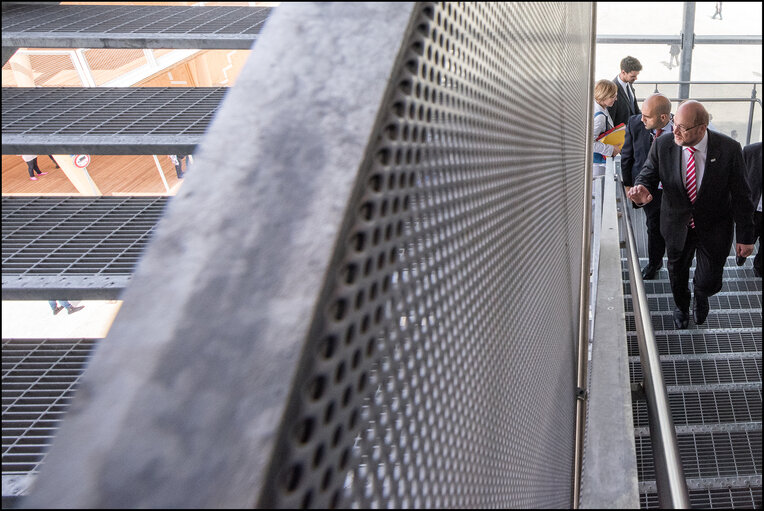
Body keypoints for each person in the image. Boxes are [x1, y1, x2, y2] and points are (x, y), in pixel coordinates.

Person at [627, 100, 755, 329]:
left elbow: (742, 195)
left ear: (702, 128)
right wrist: (641, 189)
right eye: (675, 123)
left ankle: (701, 294)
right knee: (676, 273)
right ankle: (682, 306)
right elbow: (647, 174)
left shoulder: (729, 149)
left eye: (682, 128)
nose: (674, 130)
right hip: (676, 224)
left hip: (715, 227)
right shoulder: (663, 144)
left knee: (709, 279)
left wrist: (746, 236)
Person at [621, 94, 674, 279]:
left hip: (673, 191)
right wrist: (628, 184)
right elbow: (627, 155)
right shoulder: (635, 123)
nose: (641, 118)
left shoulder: (680, 130)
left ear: (663, 118)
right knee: (653, 226)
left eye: (647, 116)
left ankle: (674, 262)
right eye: (642, 114)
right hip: (648, 190)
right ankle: (654, 262)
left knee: (674, 227)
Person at [592, 79, 621, 177]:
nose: (616, 99)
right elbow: (590, 144)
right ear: (603, 96)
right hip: (597, 163)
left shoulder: (601, 107)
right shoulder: (599, 117)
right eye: (613, 97)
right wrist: (611, 149)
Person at [743, 141, 762, 277]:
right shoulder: (751, 151)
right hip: (753, 209)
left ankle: (759, 267)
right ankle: (741, 255)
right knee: (748, 237)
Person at [608, 56, 642, 127]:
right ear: (623, 72)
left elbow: (635, 109)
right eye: (632, 76)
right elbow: (611, 119)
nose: (636, 78)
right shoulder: (612, 90)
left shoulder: (629, 83)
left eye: (636, 75)